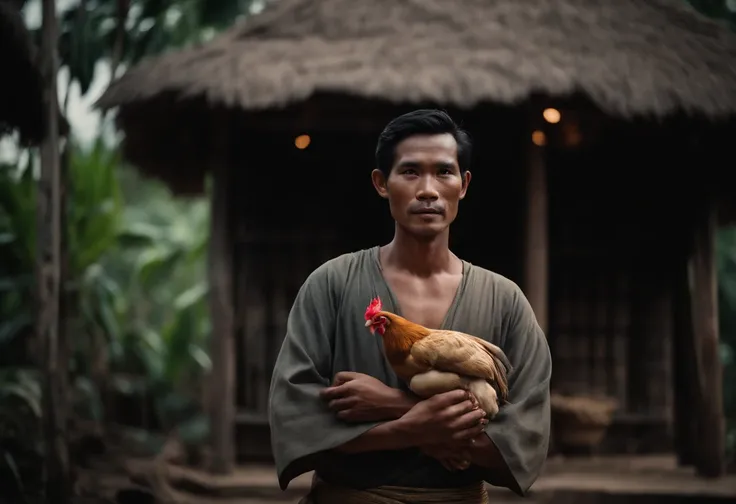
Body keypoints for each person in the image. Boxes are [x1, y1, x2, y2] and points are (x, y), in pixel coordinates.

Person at [268, 109, 552, 504]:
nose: (428, 190)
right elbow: (296, 418)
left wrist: (394, 404)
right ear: (381, 183)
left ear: (464, 185)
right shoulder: (332, 284)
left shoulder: (505, 301)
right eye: (410, 172)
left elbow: (523, 441)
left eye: (444, 172)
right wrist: (412, 429)